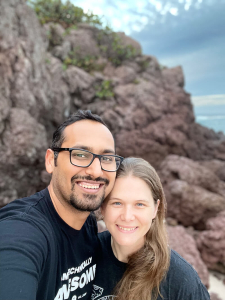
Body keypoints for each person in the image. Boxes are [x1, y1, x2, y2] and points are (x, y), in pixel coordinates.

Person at [0, 110, 123, 300]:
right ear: (51, 160)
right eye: (81, 154)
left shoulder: (88, 225)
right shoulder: (22, 231)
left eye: (106, 158)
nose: (96, 171)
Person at [92, 157, 210, 300]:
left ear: (155, 209)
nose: (127, 216)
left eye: (140, 204)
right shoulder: (84, 255)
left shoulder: (181, 279)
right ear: (103, 207)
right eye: (117, 203)